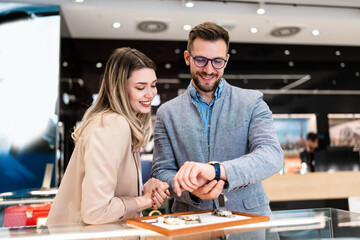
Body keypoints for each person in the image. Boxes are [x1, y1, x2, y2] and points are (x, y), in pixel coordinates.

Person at [151, 22, 283, 216]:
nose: (209, 69)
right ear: (188, 58)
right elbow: (162, 173)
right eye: (201, 60)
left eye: (217, 61)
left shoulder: (252, 102)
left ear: (226, 61)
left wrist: (218, 171)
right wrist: (191, 191)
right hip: (192, 221)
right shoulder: (167, 112)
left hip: (249, 221)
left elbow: (271, 155)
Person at [46, 47, 170, 225]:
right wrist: (144, 201)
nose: (150, 94)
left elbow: (109, 196)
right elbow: (96, 211)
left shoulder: (118, 123)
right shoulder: (113, 125)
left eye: (153, 85)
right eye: (141, 87)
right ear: (119, 89)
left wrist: (143, 192)